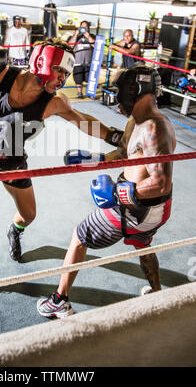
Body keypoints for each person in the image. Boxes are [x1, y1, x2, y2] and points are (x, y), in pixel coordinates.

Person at [0, 39, 124, 287]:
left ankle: (14, 232)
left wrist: (116, 137)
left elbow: (82, 120)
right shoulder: (1, 76)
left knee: (28, 215)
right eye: (59, 70)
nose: (62, 79)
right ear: (42, 61)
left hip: (15, 160)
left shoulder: (55, 102)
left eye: (66, 74)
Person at [37, 64, 176, 319]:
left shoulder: (155, 129)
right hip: (150, 209)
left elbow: (160, 183)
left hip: (139, 209)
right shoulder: (138, 120)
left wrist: (116, 195)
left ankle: (60, 301)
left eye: (121, 90)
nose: (116, 96)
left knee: (79, 235)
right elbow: (125, 151)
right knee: (143, 243)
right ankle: (157, 293)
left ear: (135, 89)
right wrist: (93, 158)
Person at [69, 21, 95, 99]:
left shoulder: (92, 36)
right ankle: (79, 93)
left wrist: (89, 37)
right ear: (79, 27)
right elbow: (70, 45)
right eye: (82, 27)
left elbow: (95, 45)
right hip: (77, 62)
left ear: (88, 28)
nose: (84, 28)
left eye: (85, 27)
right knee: (78, 78)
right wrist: (76, 34)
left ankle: (89, 93)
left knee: (89, 78)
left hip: (88, 62)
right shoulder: (76, 36)